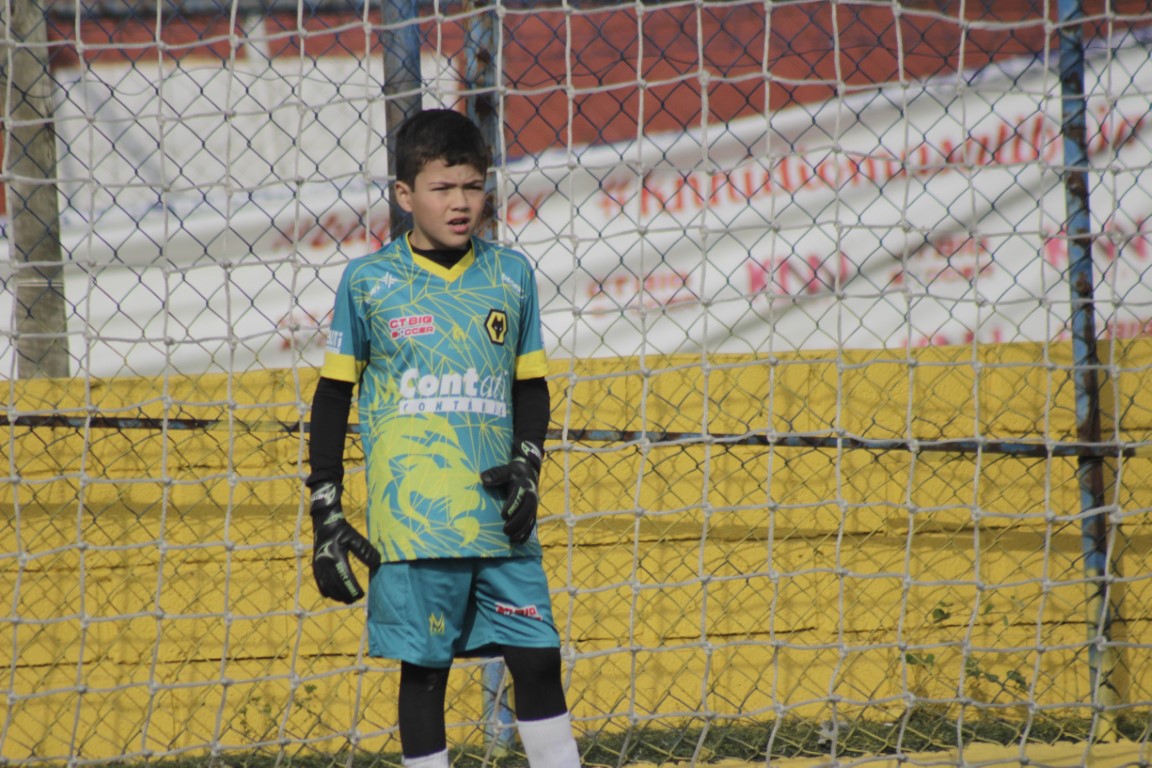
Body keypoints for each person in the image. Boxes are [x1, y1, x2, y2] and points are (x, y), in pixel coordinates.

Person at [304, 108, 581, 768]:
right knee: (425, 674)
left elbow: (530, 386)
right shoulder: (369, 283)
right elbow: (333, 397)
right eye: (442, 188)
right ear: (405, 195)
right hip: (413, 525)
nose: (461, 203)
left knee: (538, 660)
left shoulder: (511, 275)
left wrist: (528, 464)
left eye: (473, 186)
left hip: (500, 520)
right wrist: (325, 508)